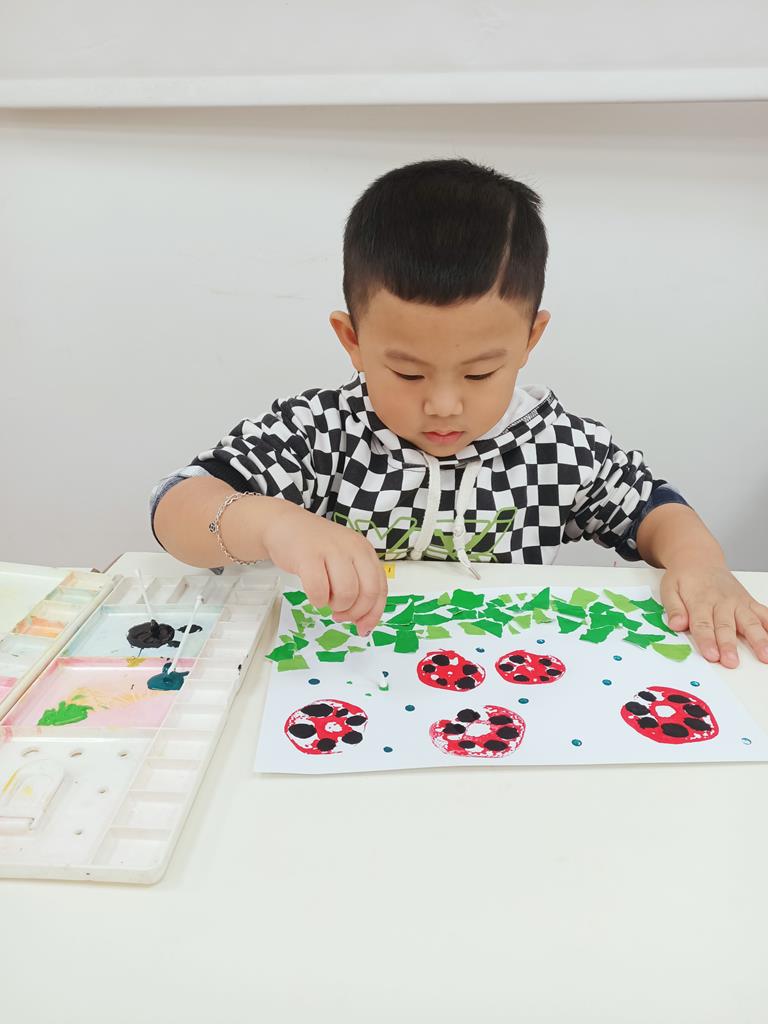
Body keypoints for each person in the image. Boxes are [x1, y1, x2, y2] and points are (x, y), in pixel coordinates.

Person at [151, 158, 768, 668]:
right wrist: (275, 525)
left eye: (479, 374)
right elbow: (175, 508)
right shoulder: (320, 433)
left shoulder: (558, 447)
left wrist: (701, 563)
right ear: (352, 340)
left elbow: (653, 511)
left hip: (507, 683)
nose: (443, 404)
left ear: (530, 339)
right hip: (343, 678)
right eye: (408, 373)